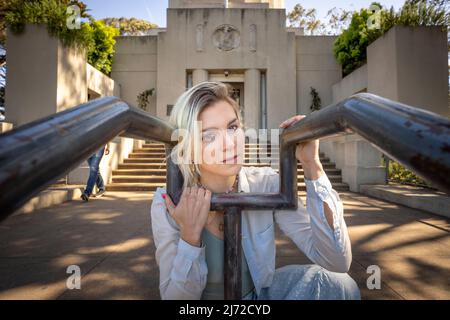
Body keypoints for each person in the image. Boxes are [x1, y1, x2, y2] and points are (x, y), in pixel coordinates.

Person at [150, 82, 360, 300]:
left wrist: (312, 165)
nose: (229, 144)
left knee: (340, 285)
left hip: (259, 296)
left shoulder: (265, 184)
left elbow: (337, 261)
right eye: (208, 136)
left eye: (232, 127)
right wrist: (190, 237)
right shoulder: (169, 200)